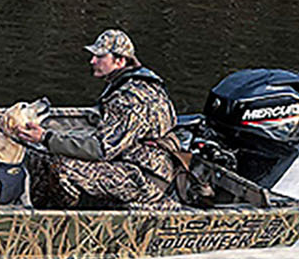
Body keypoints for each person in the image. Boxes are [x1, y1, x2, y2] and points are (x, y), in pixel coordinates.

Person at [13, 27, 179, 208]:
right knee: (46, 155)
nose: (92, 61)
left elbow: (101, 149)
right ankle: (34, 209)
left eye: (100, 57)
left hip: (144, 178)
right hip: (136, 163)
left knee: (59, 167)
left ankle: (66, 222)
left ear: (120, 60)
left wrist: (47, 138)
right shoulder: (143, 85)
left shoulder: (128, 98)